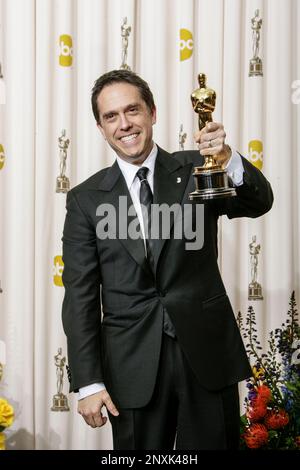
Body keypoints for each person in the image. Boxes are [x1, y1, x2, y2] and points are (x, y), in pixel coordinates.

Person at [62, 69, 273, 450]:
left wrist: (226, 158)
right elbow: (79, 296)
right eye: (111, 116)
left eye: (133, 110)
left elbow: (260, 202)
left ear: (153, 113)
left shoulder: (197, 168)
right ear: (100, 126)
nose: (125, 124)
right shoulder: (85, 199)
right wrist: (89, 382)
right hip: (131, 367)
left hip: (206, 358)